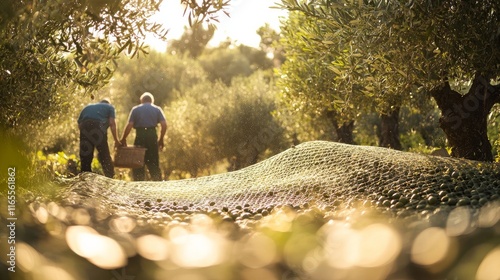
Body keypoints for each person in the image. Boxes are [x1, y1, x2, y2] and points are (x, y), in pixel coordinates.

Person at [121, 92, 167, 181]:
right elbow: (164, 125)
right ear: (152, 101)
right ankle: (158, 186)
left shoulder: (135, 109)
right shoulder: (157, 109)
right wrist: (161, 139)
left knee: (138, 163)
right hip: (152, 136)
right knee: (154, 163)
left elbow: (130, 125)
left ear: (141, 100)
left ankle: (139, 187)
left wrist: (123, 138)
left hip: (140, 136)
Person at [78, 98, 121, 178]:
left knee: (85, 153)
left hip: (85, 126)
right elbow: (112, 123)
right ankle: (110, 176)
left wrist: (87, 136)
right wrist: (116, 140)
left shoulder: (87, 107)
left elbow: (79, 125)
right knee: (104, 153)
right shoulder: (110, 107)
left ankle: (84, 175)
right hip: (98, 127)